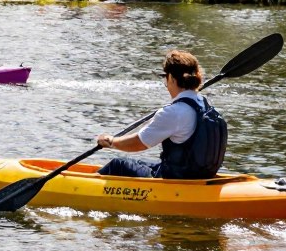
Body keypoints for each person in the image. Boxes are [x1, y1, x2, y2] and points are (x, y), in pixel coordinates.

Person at [97, 50, 226, 179]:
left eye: (165, 78)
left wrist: (112, 142)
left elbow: (140, 143)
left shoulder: (173, 112)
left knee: (117, 164)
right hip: (198, 174)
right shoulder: (203, 103)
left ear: (171, 78)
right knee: (140, 164)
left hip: (176, 179)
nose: (166, 84)